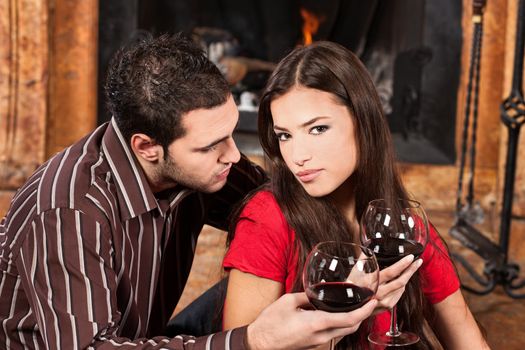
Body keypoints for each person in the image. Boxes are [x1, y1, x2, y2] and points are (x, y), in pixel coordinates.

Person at [0, 34, 380, 349]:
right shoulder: (69, 210)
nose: (233, 155)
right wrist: (253, 340)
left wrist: (360, 262)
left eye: (231, 132)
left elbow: (282, 203)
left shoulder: (200, 163)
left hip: (144, 339)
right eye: (210, 145)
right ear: (147, 147)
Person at [222, 41, 490, 349]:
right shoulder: (268, 217)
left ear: (363, 122)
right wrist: (351, 316)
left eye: (318, 129)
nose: (297, 155)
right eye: (285, 135)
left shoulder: (402, 228)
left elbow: (468, 340)